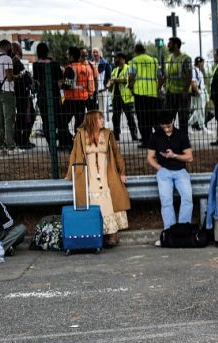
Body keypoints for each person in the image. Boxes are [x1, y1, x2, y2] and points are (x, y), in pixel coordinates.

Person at [64, 110, 130, 246]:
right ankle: (98, 233)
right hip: (89, 175)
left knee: (108, 201)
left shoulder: (107, 134)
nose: (103, 121)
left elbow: (117, 153)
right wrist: (70, 174)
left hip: (107, 172)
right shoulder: (81, 135)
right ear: (93, 120)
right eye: (100, 119)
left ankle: (113, 234)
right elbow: (74, 154)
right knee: (94, 201)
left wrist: (122, 172)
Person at [147, 110, 194, 238]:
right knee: (166, 201)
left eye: (168, 126)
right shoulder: (155, 136)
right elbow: (150, 157)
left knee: (187, 199)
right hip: (164, 172)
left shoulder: (181, 135)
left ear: (173, 121)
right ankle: (170, 232)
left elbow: (189, 157)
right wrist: (158, 167)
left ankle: (183, 230)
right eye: (163, 127)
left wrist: (174, 155)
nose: (167, 129)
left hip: (180, 171)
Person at [33, 42, 71, 150]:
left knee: (46, 120)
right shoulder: (54, 64)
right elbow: (60, 82)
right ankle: (63, 142)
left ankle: (51, 145)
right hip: (54, 95)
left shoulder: (36, 65)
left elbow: (38, 82)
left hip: (42, 95)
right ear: (47, 51)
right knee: (58, 119)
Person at [128, 43, 161, 148]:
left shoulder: (134, 61)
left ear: (135, 50)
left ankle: (147, 141)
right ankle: (161, 140)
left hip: (140, 93)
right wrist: (158, 89)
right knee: (154, 118)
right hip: (152, 93)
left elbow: (132, 75)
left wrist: (131, 86)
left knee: (142, 118)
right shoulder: (154, 60)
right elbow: (160, 76)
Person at [0, 39, 19, 156]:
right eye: (11, 47)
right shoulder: (7, 58)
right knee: (9, 119)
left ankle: (0, 146)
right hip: (7, 91)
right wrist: (18, 76)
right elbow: (9, 77)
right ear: (7, 46)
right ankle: (11, 147)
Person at [63, 46, 96, 139]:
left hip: (70, 100)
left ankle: (68, 141)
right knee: (79, 124)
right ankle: (79, 142)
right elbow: (90, 86)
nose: (67, 56)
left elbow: (67, 85)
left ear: (72, 57)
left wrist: (60, 85)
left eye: (68, 55)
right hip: (82, 101)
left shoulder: (70, 68)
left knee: (62, 122)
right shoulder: (86, 69)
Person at [162, 37, 192, 135]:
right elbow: (166, 75)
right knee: (168, 118)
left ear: (175, 45)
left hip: (182, 93)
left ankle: (183, 140)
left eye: (169, 43)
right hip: (170, 93)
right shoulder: (169, 58)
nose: (167, 45)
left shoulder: (185, 58)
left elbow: (189, 76)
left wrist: (185, 90)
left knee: (183, 118)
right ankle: (170, 138)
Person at [107, 52, 139, 143]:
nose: (115, 60)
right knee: (115, 118)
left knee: (130, 117)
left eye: (116, 58)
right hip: (116, 97)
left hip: (126, 97)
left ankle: (134, 136)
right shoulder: (114, 70)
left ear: (122, 59)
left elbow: (128, 80)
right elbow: (111, 81)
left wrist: (116, 80)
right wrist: (110, 85)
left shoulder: (128, 68)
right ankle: (116, 136)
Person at [11, 42, 35, 149]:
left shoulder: (15, 61)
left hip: (22, 92)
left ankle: (22, 139)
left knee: (24, 116)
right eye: (19, 48)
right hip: (21, 93)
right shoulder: (14, 61)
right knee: (24, 116)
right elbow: (21, 76)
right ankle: (22, 140)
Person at [189, 56, 209, 133]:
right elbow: (193, 82)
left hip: (202, 92)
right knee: (200, 111)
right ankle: (202, 127)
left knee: (199, 111)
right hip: (199, 92)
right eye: (202, 62)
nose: (203, 64)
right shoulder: (194, 71)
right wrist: (198, 93)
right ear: (199, 62)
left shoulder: (199, 71)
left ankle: (190, 124)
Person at [92, 48, 112, 118]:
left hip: (102, 91)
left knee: (102, 112)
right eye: (93, 52)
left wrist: (106, 87)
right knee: (93, 112)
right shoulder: (90, 64)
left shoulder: (105, 63)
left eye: (96, 52)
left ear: (100, 53)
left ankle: (103, 127)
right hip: (93, 92)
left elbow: (110, 77)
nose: (95, 54)